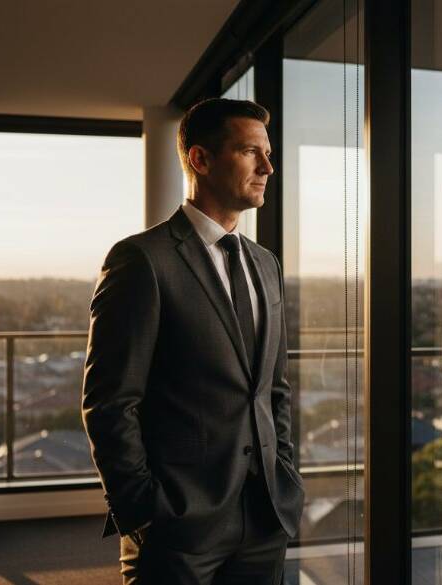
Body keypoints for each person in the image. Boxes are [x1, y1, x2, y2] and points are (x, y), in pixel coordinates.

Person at [81, 98, 304, 584]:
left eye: (268, 153)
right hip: (177, 529)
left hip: (265, 518)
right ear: (200, 160)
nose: (268, 166)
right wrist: (143, 510)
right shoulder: (141, 260)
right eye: (251, 152)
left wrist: (284, 471)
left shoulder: (266, 264)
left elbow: (274, 389)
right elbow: (110, 403)